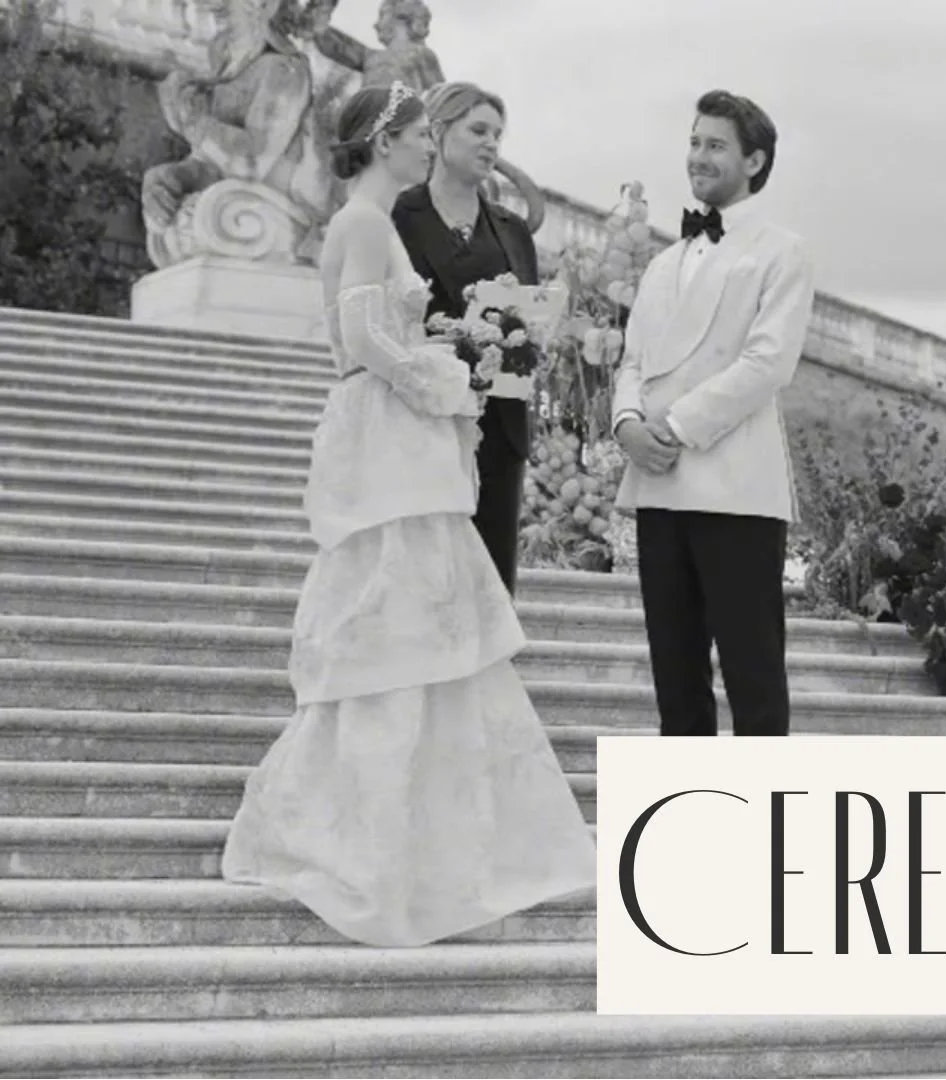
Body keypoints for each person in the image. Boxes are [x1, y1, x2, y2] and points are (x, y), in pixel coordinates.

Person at [220, 82, 596, 947]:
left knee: (425, 620)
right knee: (397, 613)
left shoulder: (375, 223)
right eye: (424, 134)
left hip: (410, 434)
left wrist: (461, 370)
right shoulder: (362, 224)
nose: (431, 147)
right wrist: (444, 375)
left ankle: (429, 816)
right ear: (386, 140)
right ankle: (379, 829)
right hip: (389, 433)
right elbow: (359, 340)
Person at [610, 89, 816, 737]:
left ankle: (765, 831)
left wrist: (674, 427)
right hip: (658, 482)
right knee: (676, 681)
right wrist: (627, 426)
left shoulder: (782, 252)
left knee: (754, 679)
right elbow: (633, 360)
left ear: (754, 161)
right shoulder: (665, 261)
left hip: (735, 489)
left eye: (715, 145)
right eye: (695, 142)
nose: (698, 156)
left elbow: (766, 364)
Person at [391, 81, 542, 596]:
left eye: (498, 134)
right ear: (437, 130)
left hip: (499, 425)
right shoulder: (396, 216)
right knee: (423, 579)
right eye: (478, 130)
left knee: (491, 583)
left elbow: (528, 318)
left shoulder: (514, 230)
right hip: (422, 421)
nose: (491, 144)